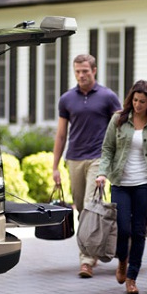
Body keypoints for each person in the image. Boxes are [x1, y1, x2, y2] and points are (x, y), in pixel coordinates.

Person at [96, 80, 147, 294]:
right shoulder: (118, 120)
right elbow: (107, 150)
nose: (138, 105)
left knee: (138, 231)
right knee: (123, 228)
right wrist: (102, 173)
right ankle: (122, 261)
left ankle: (132, 277)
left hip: (144, 185)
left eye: (143, 102)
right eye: (135, 100)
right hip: (120, 182)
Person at [53, 54, 122, 279]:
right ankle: (93, 248)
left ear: (94, 70)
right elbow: (61, 135)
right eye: (77, 71)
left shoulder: (108, 97)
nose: (81, 75)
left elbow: (119, 130)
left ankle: (86, 260)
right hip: (74, 158)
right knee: (82, 210)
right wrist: (55, 167)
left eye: (85, 71)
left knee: (92, 206)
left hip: (98, 158)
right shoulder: (66, 99)